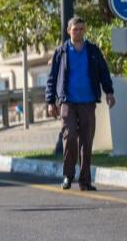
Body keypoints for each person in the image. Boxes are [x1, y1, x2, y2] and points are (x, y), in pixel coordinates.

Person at [45, 16, 116, 191]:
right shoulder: (61, 52)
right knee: (69, 138)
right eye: (75, 29)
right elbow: (52, 78)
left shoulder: (93, 51)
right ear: (68, 31)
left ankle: (85, 181)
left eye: (81, 29)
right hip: (67, 102)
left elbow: (103, 72)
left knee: (87, 141)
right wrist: (50, 101)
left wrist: (109, 92)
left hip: (88, 102)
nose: (78, 32)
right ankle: (68, 176)